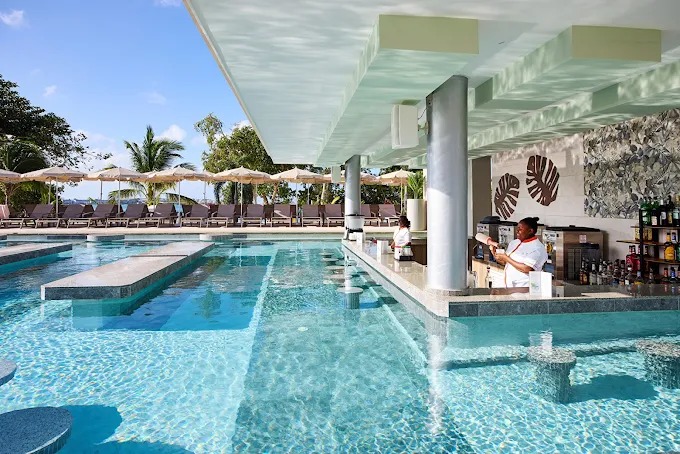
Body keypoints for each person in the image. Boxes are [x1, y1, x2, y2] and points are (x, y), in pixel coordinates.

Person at [491, 216, 548, 288]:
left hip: (525, 288)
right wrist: (494, 252)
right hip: (509, 287)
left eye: (520, 229)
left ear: (530, 231)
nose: (517, 231)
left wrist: (506, 258)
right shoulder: (514, 243)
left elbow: (527, 268)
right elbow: (505, 262)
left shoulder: (537, 248)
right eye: (517, 229)